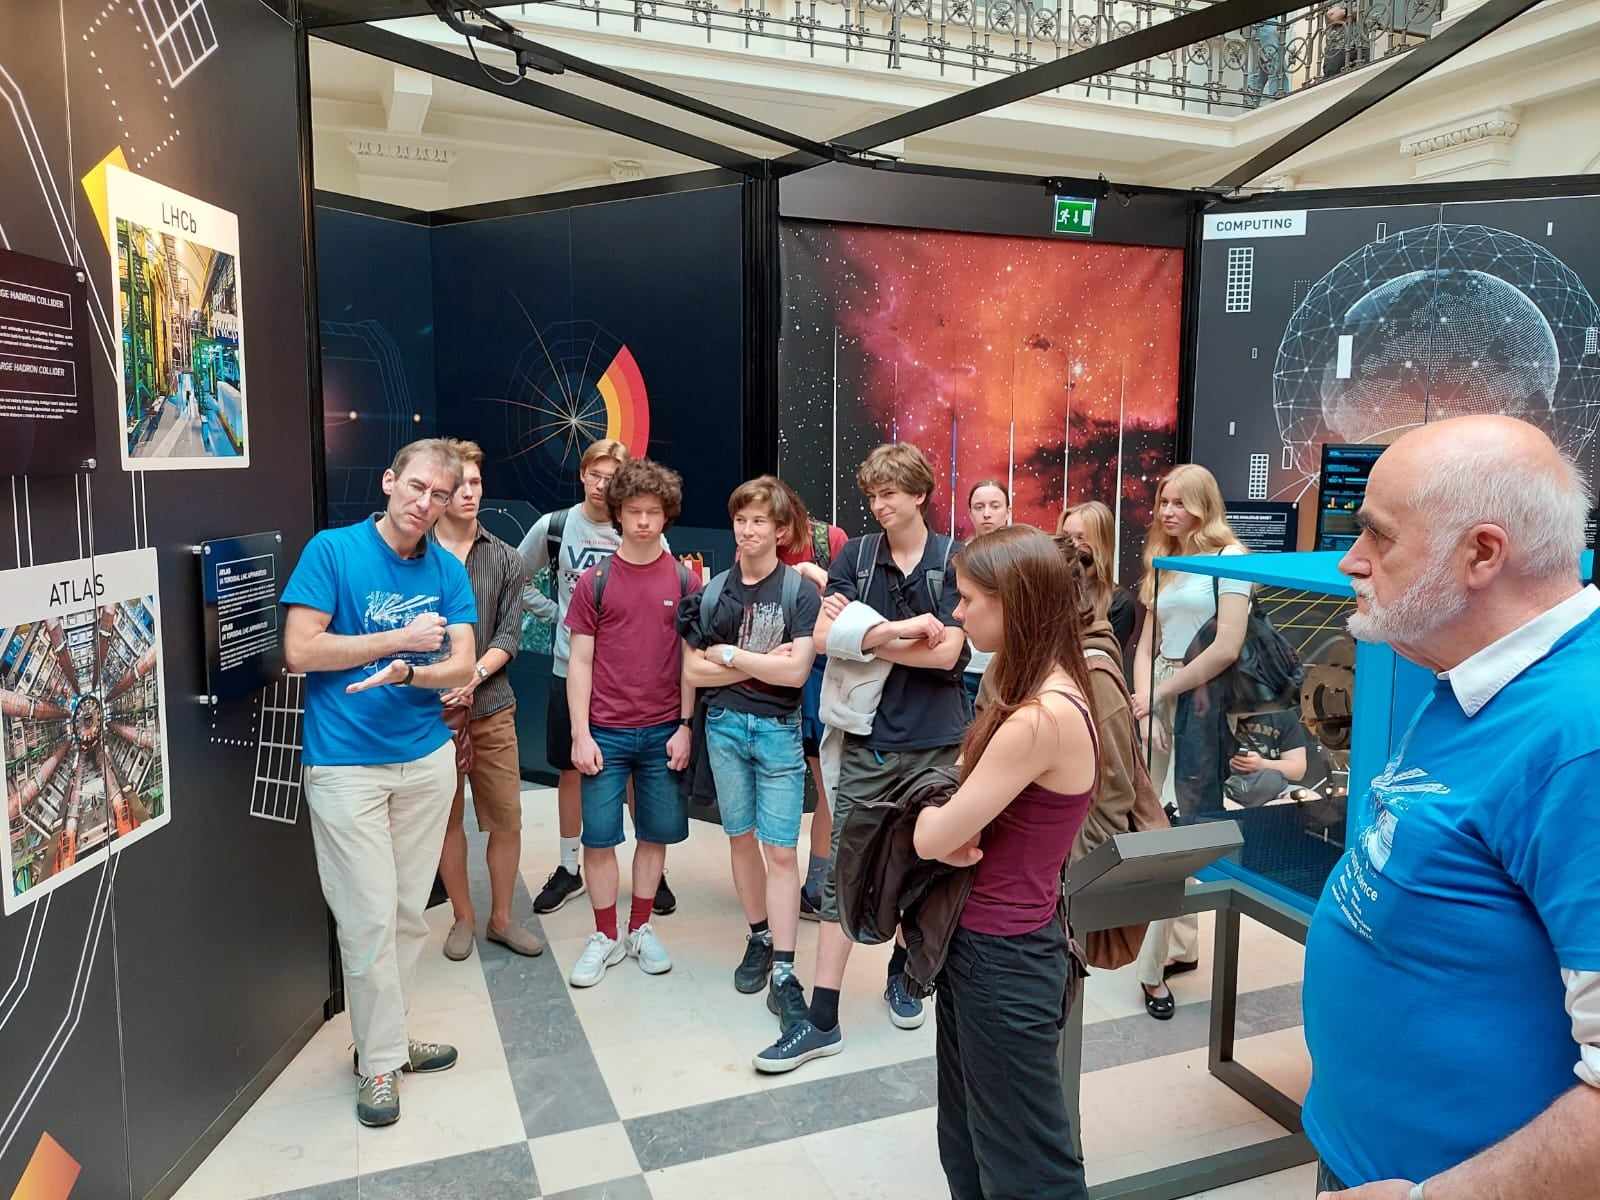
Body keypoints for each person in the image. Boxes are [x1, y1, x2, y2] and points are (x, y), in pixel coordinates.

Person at [1307, 416, 1600, 1200]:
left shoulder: (1582, 737)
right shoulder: (1471, 671)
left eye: (1379, 536)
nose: (1351, 560)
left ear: (1481, 554)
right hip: (1365, 1155)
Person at [281, 438, 478, 1128]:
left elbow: (462, 664)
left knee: (404, 915)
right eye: (417, 487)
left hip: (424, 761)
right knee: (367, 919)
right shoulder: (332, 552)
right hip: (345, 766)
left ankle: (385, 1041)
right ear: (390, 481)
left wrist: (411, 673)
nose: (426, 503)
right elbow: (300, 649)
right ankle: (379, 1064)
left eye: (439, 495)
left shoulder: (446, 569)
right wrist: (396, 642)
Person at [755, 442, 968, 1073]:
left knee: (927, 867)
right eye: (872, 495)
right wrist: (902, 631)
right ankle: (823, 1017)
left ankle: (906, 971)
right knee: (844, 874)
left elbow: (947, 654)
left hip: (937, 741)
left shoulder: (955, 560)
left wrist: (864, 638)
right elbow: (823, 637)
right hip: (866, 739)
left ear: (920, 494)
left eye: (889, 494)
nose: (878, 505)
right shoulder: (858, 555)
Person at [912, 525, 1097, 1200]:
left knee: (1026, 1166)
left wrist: (928, 823)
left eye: (968, 598)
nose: (957, 612)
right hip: (992, 946)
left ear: (1012, 603)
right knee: (969, 1142)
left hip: (1003, 956)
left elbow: (933, 834)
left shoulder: (1040, 717)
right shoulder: (1034, 688)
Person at [682, 477, 821, 1036]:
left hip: (778, 732)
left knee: (781, 850)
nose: (747, 530)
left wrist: (731, 655)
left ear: (781, 530)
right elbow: (692, 671)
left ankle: (785, 969)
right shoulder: (714, 591)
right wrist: (761, 662)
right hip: (723, 728)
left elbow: (797, 673)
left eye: (759, 520)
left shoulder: (799, 592)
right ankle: (759, 936)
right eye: (741, 519)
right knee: (739, 838)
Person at [518, 439, 677, 919]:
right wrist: (558, 614)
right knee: (572, 768)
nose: (603, 485)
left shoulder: (639, 529)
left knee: (635, 771)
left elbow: (667, 585)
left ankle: (652, 873)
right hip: (571, 667)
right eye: (596, 474)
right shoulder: (555, 527)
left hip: (629, 679)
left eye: (613, 477)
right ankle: (570, 867)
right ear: (582, 474)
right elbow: (515, 577)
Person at [563, 457, 696, 989]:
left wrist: (686, 726)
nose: (643, 521)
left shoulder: (684, 580)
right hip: (605, 730)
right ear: (617, 512)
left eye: (653, 512)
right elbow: (579, 662)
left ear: (666, 515)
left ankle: (640, 927)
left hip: (664, 730)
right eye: (634, 510)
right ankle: (605, 934)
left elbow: (691, 659)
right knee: (598, 839)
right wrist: (580, 733)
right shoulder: (594, 582)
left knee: (653, 835)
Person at [1128, 464, 1250, 1020]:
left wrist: (1162, 694)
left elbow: (1227, 647)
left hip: (1199, 701)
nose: (1167, 511)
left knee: (1176, 832)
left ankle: (1151, 969)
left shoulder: (1231, 558)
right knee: (1152, 822)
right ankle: (1180, 945)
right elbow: (1146, 642)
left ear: (1204, 504)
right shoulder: (1164, 558)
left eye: (1179, 501)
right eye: (1163, 500)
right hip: (1159, 695)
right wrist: (1145, 703)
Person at [432, 440, 543, 961]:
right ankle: (463, 917)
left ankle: (501, 918)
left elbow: (508, 636)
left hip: (492, 706)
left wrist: (471, 677)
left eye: (476, 482)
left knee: (506, 818)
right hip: (429, 713)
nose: (469, 492)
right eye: (458, 484)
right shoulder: (415, 554)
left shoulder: (505, 558)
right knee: (445, 819)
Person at [770, 480, 848, 918]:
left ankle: (817, 884)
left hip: (821, 674)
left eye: (780, 524)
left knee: (827, 785)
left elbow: (852, 605)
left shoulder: (829, 540)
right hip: (773, 674)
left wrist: (820, 580)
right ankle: (777, 884)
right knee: (776, 787)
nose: (774, 534)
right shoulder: (755, 544)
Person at [1060, 500, 1137, 652]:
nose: (1072, 545)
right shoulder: (1050, 591)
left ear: (1101, 544)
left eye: (1081, 538)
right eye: (1065, 536)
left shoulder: (1119, 604)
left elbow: (1108, 656)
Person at [962, 480, 1011, 713]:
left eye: (995, 505)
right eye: (979, 507)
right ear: (970, 513)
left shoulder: (1023, 555)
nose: (987, 514)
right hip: (966, 667)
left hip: (1008, 667)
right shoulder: (958, 556)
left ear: (1008, 511)